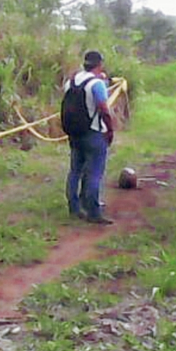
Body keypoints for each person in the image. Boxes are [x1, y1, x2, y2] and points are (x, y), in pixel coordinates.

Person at [65, 50, 116, 224]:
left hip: (74, 132)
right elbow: (104, 108)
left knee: (75, 171)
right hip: (93, 132)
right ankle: (93, 212)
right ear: (99, 64)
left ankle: (74, 207)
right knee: (95, 172)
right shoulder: (97, 84)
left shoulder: (70, 81)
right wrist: (110, 130)